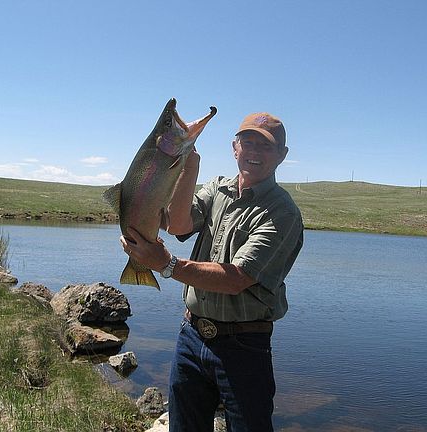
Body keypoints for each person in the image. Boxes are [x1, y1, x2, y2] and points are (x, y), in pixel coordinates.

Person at [120, 112, 304, 432]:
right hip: (191, 337)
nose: (254, 152)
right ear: (235, 148)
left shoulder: (282, 212)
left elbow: (235, 279)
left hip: (244, 347)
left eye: (265, 146)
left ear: (282, 155)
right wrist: (189, 164)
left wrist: (166, 264)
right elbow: (178, 225)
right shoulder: (217, 188)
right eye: (248, 142)